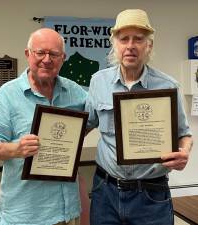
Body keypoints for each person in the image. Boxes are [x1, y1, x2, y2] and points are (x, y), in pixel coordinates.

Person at [85, 9, 193, 225]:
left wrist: (183, 152)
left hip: (151, 195)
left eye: (138, 39)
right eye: (124, 38)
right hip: (105, 191)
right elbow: (85, 124)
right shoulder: (98, 82)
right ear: (115, 44)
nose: (131, 45)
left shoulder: (168, 86)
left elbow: (184, 134)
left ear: (149, 45)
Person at [0, 28, 87, 225]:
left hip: (68, 213)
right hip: (25, 215)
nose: (47, 59)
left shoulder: (75, 92)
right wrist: (16, 149)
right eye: (40, 52)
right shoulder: (8, 94)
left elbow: (97, 118)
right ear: (28, 54)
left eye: (54, 54)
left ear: (63, 58)